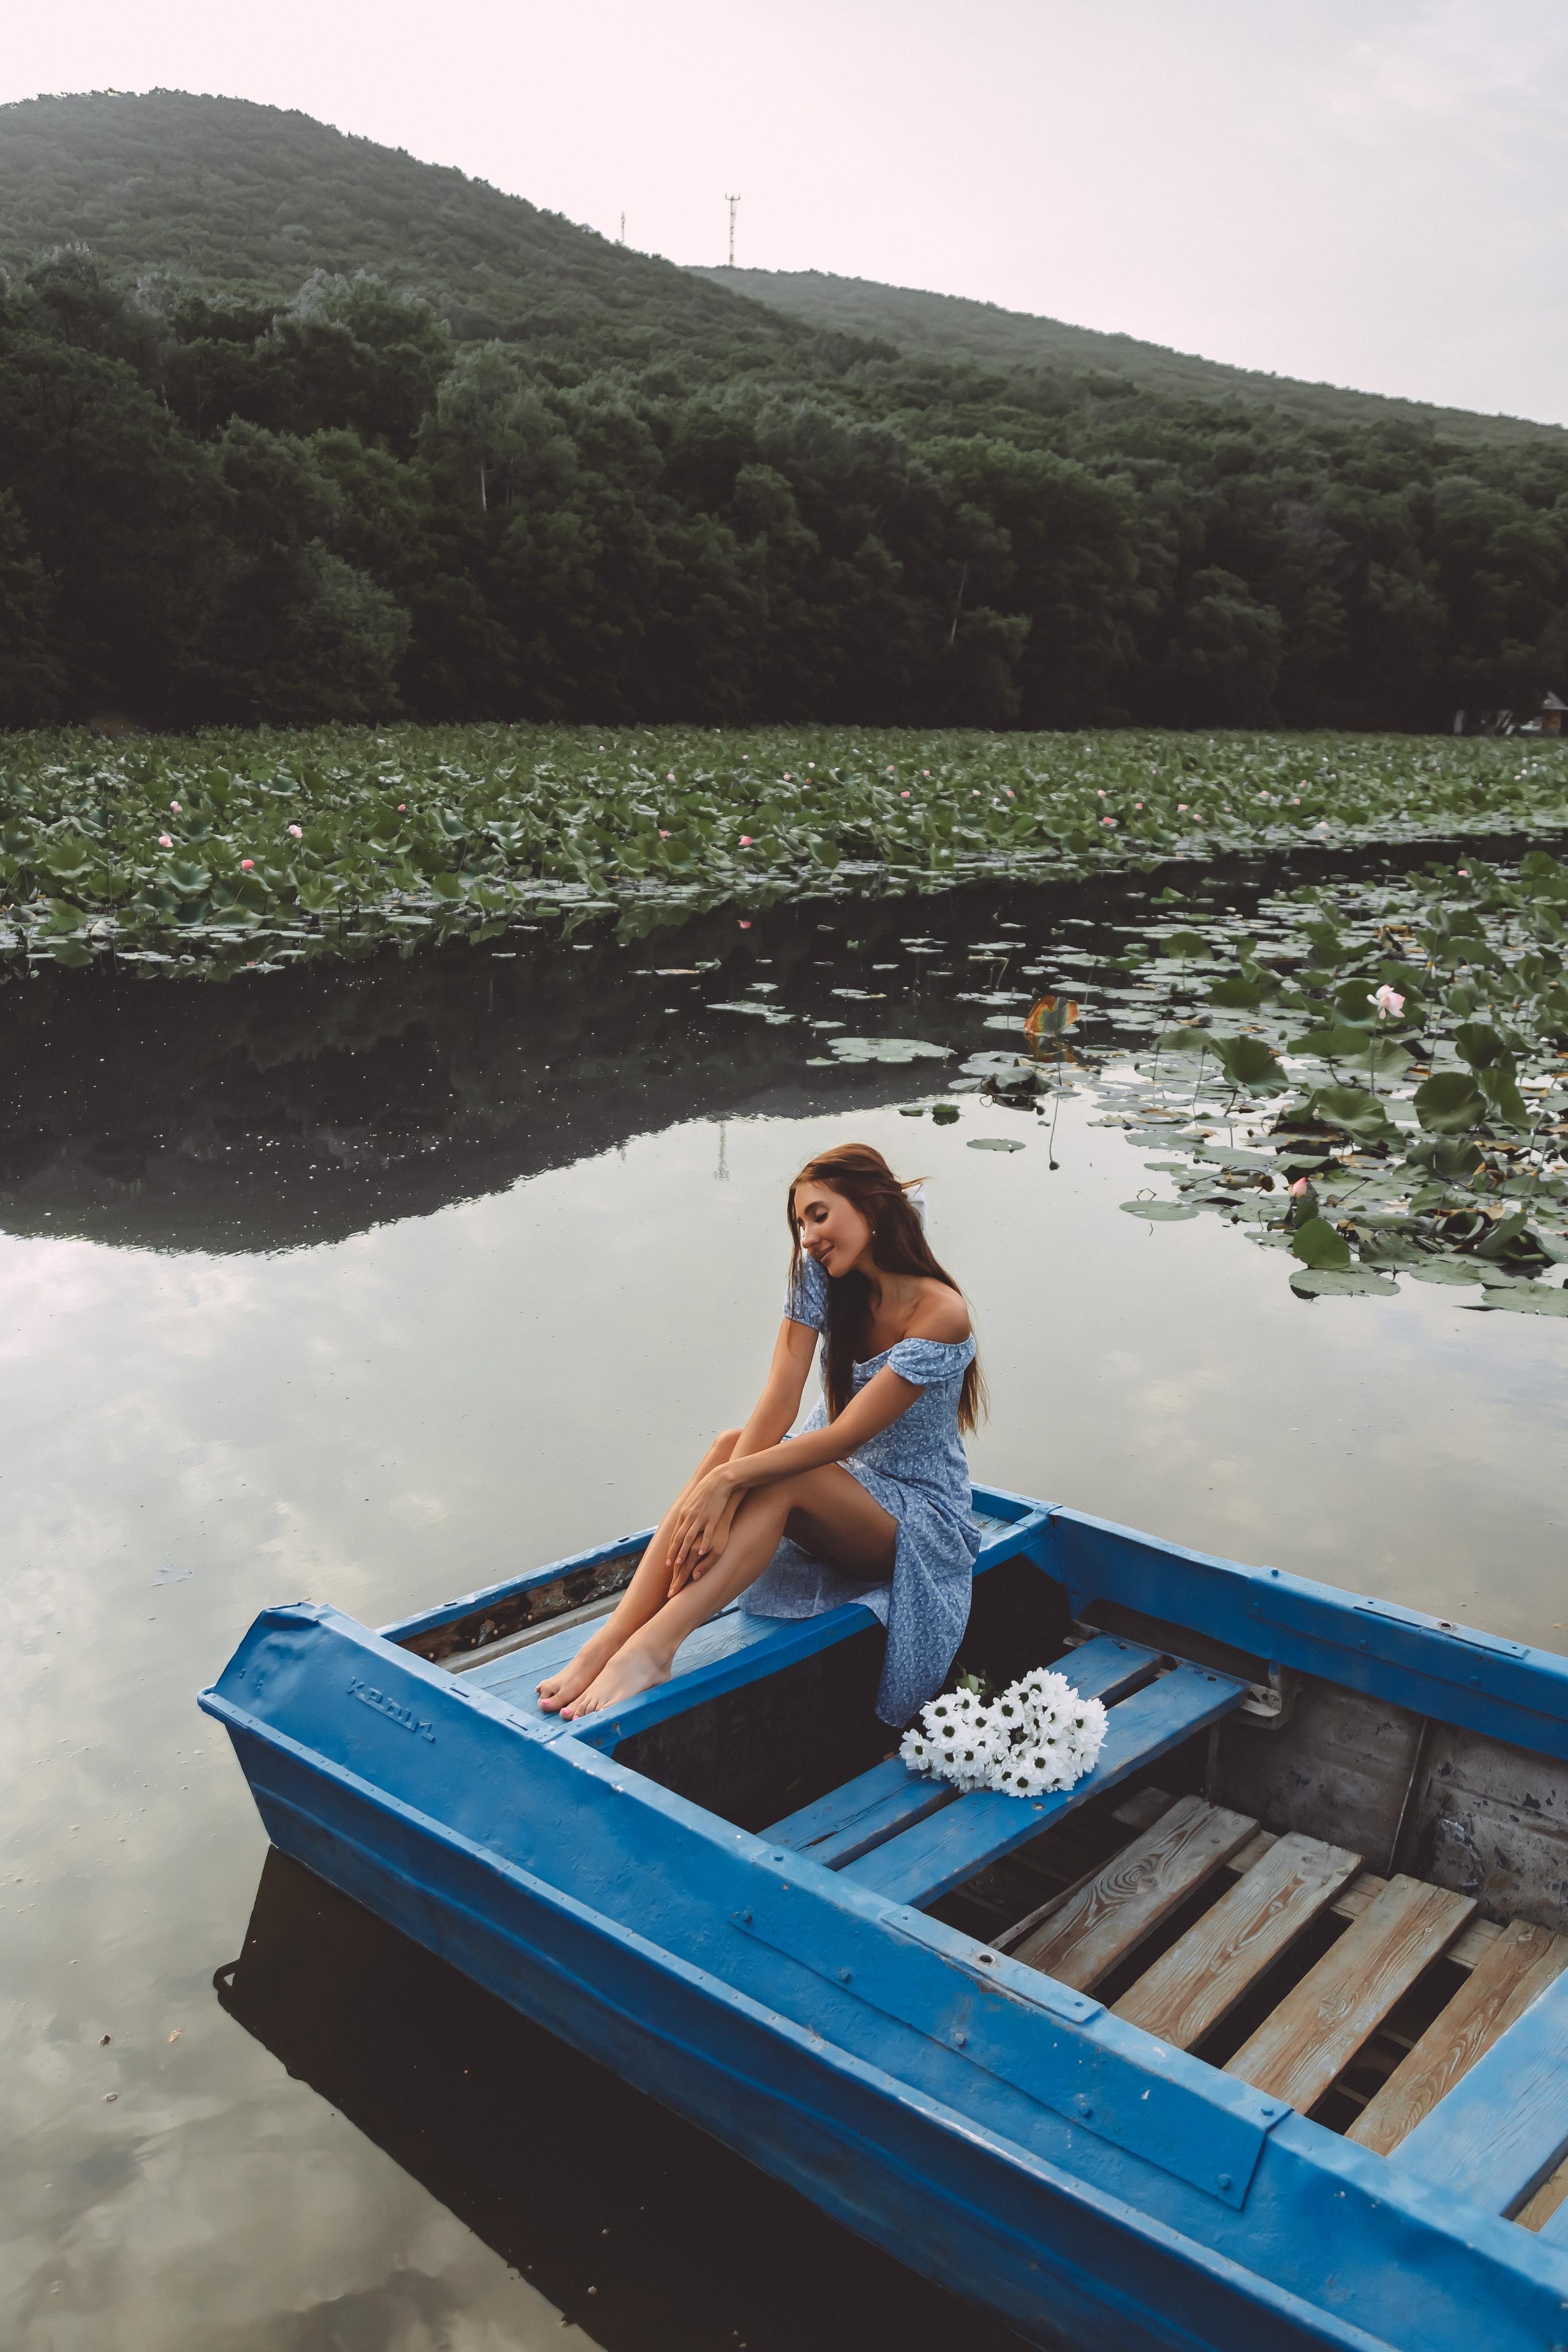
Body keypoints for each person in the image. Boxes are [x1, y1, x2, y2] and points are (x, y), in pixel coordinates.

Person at [538, 1141, 984, 1726]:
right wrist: (722, 1492)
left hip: (916, 1518)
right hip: (843, 1482)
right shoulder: (821, 1273)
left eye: (819, 1215)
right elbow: (781, 1396)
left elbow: (847, 1436)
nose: (808, 1238)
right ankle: (613, 1637)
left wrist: (727, 1485)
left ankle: (654, 1651)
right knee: (731, 1442)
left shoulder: (941, 1313)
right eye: (800, 1223)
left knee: (773, 1474)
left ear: (871, 1206)